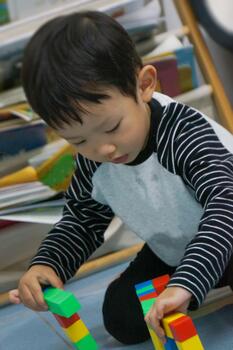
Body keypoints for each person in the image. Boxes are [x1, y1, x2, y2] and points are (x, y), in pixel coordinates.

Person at [9, 11, 233, 345]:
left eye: (112, 127)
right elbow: (83, 221)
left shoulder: (183, 136)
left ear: (144, 85)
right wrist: (48, 265)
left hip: (226, 234)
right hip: (175, 249)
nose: (105, 148)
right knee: (121, 317)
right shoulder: (93, 159)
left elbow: (225, 207)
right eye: (79, 140)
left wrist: (186, 282)